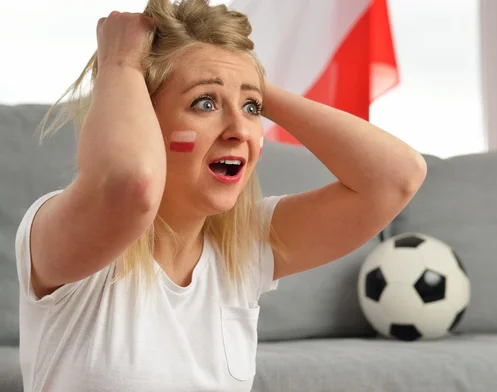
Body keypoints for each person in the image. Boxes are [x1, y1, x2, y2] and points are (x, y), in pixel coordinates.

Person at [15, 0, 427, 391]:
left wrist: (248, 82)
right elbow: (131, 184)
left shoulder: (244, 246)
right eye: (205, 103)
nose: (239, 130)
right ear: (142, 119)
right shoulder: (60, 231)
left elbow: (398, 178)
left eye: (251, 109)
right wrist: (121, 64)